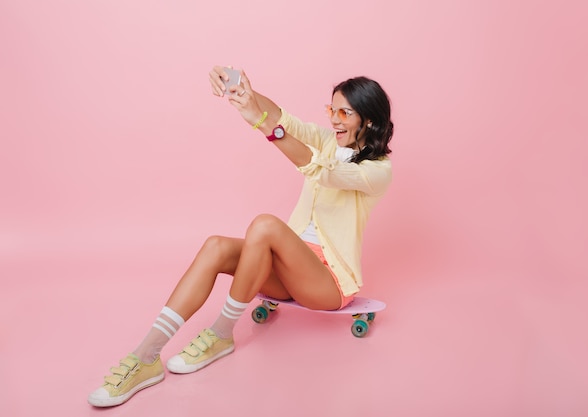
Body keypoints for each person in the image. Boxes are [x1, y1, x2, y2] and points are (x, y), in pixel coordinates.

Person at [87, 66, 394, 407]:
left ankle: (221, 335)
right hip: (289, 271)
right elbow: (284, 118)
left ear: (368, 120)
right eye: (331, 110)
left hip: (328, 282)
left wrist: (265, 127)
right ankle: (146, 358)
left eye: (344, 113)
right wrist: (248, 96)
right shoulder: (327, 140)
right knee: (216, 246)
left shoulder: (378, 171)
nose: (334, 120)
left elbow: (319, 169)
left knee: (265, 225)